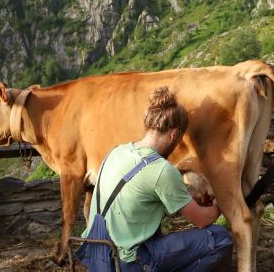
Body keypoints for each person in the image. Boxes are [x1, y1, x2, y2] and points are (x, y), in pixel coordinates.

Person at [81, 86, 233, 272]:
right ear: (174, 134)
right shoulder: (161, 170)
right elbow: (202, 219)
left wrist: (190, 195)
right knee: (219, 237)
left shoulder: (116, 152)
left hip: (97, 256)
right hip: (127, 264)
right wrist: (221, 202)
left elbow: (140, 192)